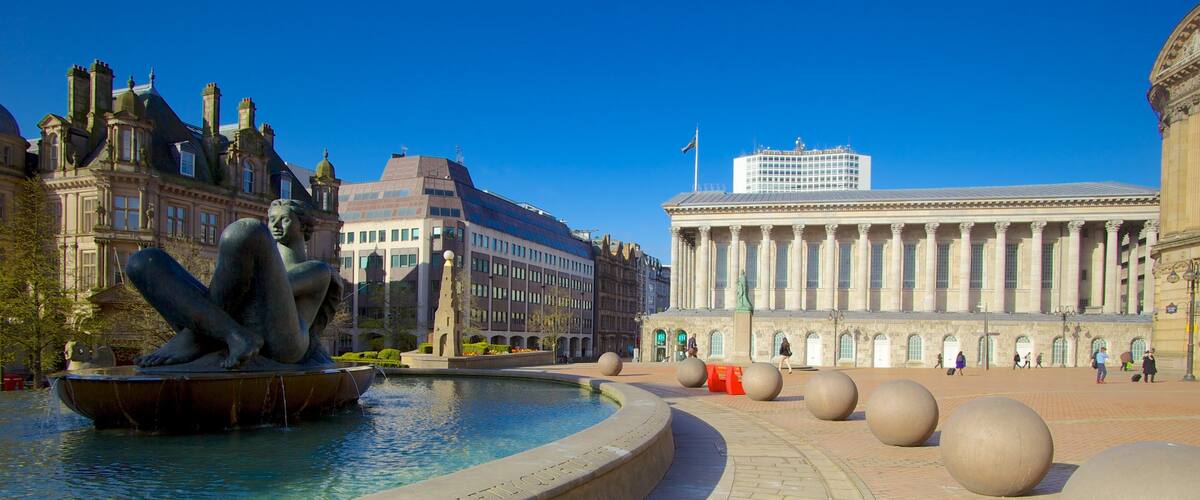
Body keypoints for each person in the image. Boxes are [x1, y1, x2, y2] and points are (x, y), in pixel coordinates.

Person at [129, 199, 341, 369]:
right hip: (235, 325)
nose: (275, 225)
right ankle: (234, 336)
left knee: (246, 231)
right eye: (271, 219)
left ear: (303, 226)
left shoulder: (318, 270)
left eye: (284, 219)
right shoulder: (259, 258)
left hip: (285, 345)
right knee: (143, 262)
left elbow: (261, 293)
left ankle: (194, 339)